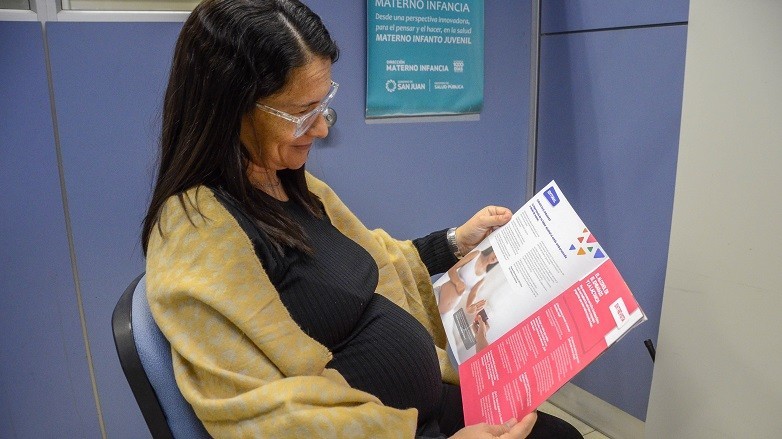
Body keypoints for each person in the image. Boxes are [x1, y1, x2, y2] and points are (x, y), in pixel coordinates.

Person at [141, 1, 584, 438]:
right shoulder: (197, 231)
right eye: (301, 112)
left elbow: (372, 259)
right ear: (229, 108)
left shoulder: (290, 183)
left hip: (423, 412)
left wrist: (454, 243)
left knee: (560, 434)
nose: (321, 128)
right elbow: (266, 416)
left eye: (323, 104)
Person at [437, 246, 499, 316]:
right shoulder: (476, 254)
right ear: (492, 249)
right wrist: (458, 282)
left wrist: (469, 308)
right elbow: (452, 269)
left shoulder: (483, 277)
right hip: (439, 294)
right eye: (496, 253)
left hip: (444, 311)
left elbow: (473, 293)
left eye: (497, 258)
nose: (495, 258)